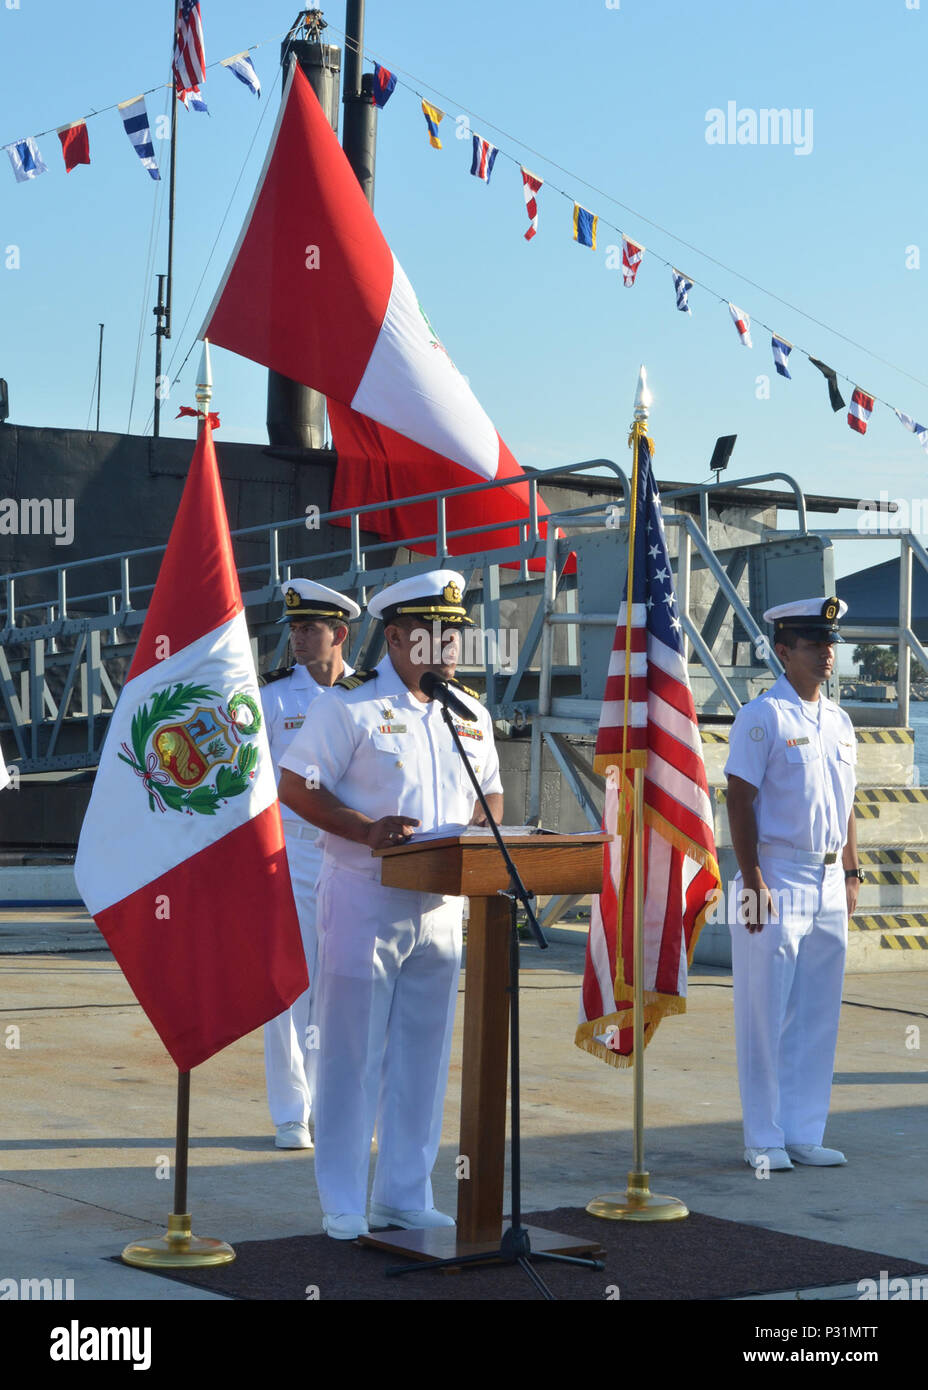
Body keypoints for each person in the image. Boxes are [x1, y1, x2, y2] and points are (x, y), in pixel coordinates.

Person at [277, 569, 503, 1239]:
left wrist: (480, 833)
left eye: (456, 635)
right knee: (351, 1052)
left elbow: (489, 793)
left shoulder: (469, 711)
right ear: (398, 638)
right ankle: (344, 1198)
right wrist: (363, 828)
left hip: (442, 905)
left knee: (423, 1056)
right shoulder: (348, 707)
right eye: (436, 635)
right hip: (364, 897)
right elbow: (296, 785)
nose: (450, 648)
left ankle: (404, 1193)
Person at [725, 596, 861, 1172]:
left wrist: (852, 870)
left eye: (831, 642)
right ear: (784, 650)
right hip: (776, 872)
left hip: (829, 875)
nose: (828, 653)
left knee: (816, 1010)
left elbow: (848, 804)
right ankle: (763, 1136)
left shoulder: (839, 720)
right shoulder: (764, 716)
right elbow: (738, 799)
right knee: (765, 1010)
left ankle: (805, 1129)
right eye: (815, 643)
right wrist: (752, 877)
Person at [260, 578, 360, 1150]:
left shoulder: (368, 695)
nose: (297, 638)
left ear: (339, 634)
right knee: (292, 983)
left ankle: (333, 1103)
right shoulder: (273, 698)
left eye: (309, 629)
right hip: (292, 846)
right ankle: (291, 1112)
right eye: (294, 628)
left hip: (352, 849)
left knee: (345, 981)